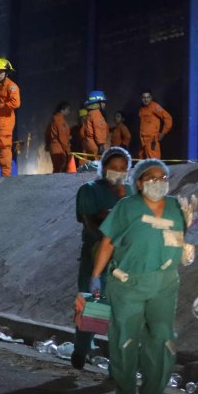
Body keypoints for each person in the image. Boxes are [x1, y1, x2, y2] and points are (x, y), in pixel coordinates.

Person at [90, 158, 187, 394]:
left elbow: (187, 242)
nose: (158, 183)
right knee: (125, 339)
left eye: (163, 178)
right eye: (151, 178)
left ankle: (153, 392)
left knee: (162, 338)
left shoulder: (178, 207)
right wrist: (96, 275)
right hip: (128, 283)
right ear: (140, 182)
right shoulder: (126, 207)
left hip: (164, 284)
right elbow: (108, 243)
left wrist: (193, 232)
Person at [70, 146, 132, 369]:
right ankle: (81, 351)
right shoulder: (90, 190)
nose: (118, 172)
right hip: (96, 255)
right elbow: (89, 221)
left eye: (122, 168)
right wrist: (107, 243)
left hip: (125, 260)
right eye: (113, 167)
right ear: (104, 167)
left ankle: (117, 367)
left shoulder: (132, 192)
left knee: (121, 311)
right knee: (94, 304)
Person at [0, 58, 20, 177]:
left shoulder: (12, 86)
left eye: (1, 72)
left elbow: (15, 103)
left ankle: (6, 180)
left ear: (7, 72)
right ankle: (4, 177)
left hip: (5, 124)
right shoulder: (1, 87)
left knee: (4, 152)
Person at [138, 90, 173, 160]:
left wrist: (163, 133)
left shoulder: (155, 107)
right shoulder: (141, 109)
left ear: (151, 98)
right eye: (144, 97)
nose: (146, 99)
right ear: (141, 98)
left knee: (153, 163)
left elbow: (168, 118)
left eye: (148, 97)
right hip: (142, 141)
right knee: (142, 163)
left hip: (151, 141)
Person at [45, 102, 71, 173]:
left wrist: (48, 145)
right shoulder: (60, 120)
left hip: (53, 146)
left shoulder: (54, 119)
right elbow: (62, 137)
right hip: (58, 147)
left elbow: (47, 134)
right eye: (68, 110)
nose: (69, 112)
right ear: (62, 110)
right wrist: (67, 150)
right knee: (60, 167)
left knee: (57, 168)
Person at [82, 90, 109, 157]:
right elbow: (99, 130)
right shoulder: (97, 114)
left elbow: (82, 132)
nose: (104, 104)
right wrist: (101, 145)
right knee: (98, 166)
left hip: (89, 143)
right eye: (102, 102)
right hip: (96, 146)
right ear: (97, 103)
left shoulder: (89, 114)